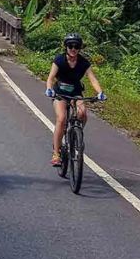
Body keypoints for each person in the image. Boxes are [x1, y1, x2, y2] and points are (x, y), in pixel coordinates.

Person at [44, 32, 106, 167]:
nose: (73, 49)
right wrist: (49, 89)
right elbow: (50, 78)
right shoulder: (59, 60)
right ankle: (56, 153)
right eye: (70, 46)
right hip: (60, 93)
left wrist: (100, 92)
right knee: (61, 118)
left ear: (80, 48)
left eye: (76, 46)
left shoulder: (84, 63)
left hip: (76, 92)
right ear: (66, 47)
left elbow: (92, 79)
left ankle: (76, 135)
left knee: (82, 113)